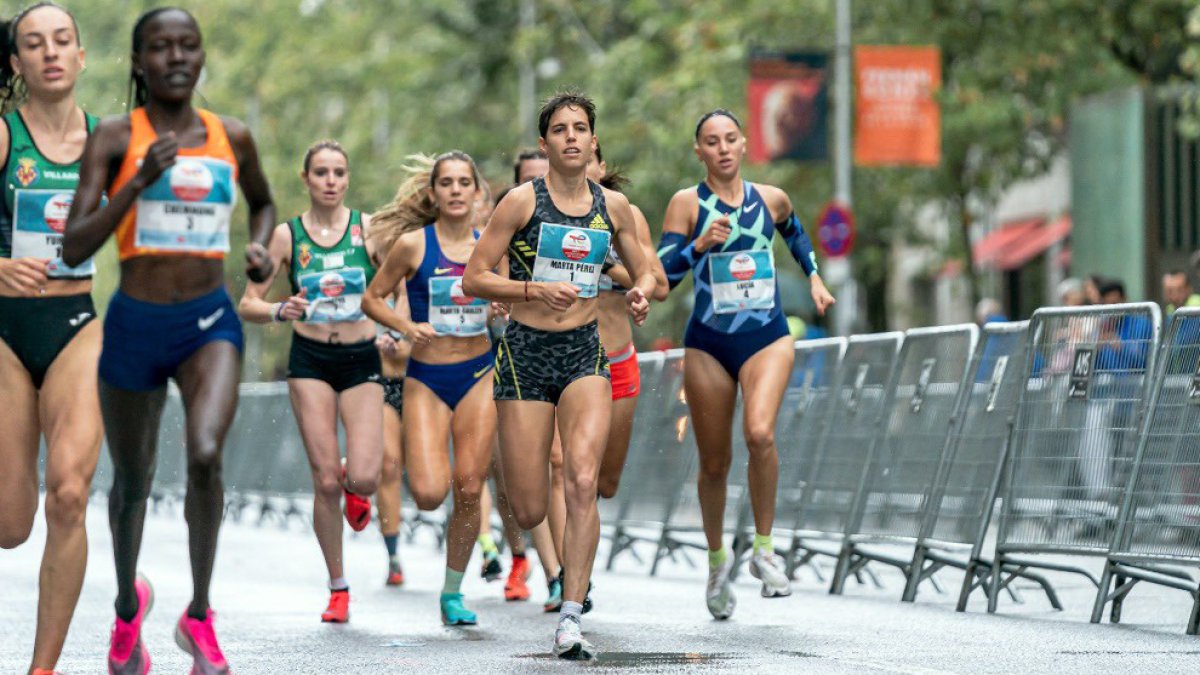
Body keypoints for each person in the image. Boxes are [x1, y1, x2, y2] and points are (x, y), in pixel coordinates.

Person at [62, 8, 276, 674]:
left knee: (207, 452)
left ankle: (200, 615)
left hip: (210, 320)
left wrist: (263, 247)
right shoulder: (112, 136)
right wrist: (136, 182)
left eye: (188, 46)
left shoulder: (230, 135)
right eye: (160, 47)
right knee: (132, 479)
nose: (176, 57)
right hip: (134, 322)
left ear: (201, 57)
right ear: (138, 62)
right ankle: (129, 607)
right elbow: (74, 244)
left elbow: (264, 202)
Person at [464, 91, 655, 660]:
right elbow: (475, 278)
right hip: (524, 355)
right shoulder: (521, 202)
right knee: (528, 507)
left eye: (580, 128)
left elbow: (643, 265)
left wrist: (639, 292)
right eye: (560, 129)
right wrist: (533, 289)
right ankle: (546, 560)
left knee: (581, 479)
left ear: (593, 141)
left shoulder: (612, 207)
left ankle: (572, 613)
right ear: (545, 142)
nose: (571, 137)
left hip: (583, 354)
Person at [656, 108, 834, 620]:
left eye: (730, 138)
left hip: (767, 335)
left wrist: (816, 279)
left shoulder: (770, 198)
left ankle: (763, 550)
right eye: (711, 142)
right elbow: (664, 276)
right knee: (715, 462)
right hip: (709, 341)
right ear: (700, 152)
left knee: (760, 433)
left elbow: (797, 237)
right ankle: (717, 563)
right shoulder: (686, 204)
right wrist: (698, 245)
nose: (723, 148)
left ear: (744, 142)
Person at [237, 139, 383, 623]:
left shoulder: (369, 229)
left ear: (347, 178)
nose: (330, 181)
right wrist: (280, 308)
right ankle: (338, 587)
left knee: (364, 475)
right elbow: (248, 302)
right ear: (306, 179)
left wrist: (395, 329)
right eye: (321, 172)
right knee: (323, 482)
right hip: (311, 358)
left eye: (339, 172)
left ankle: (354, 479)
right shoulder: (287, 235)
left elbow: (399, 287)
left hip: (362, 355)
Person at [0, 5, 100, 674]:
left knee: (68, 491)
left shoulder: (106, 140)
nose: (50, 52)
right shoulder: (5, 137)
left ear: (81, 55)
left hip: (77, 326)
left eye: (62, 40)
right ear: (17, 64)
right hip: (5, 329)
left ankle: (42, 668)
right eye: (33, 43)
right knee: (10, 526)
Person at [362, 151, 497, 626]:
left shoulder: (491, 245)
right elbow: (372, 297)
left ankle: (453, 592)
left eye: (465, 182)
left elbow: (516, 301)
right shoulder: (414, 246)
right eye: (447, 183)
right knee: (427, 493)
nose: (457, 190)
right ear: (433, 193)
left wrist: (502, 309)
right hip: (427, 378)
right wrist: (405, 326)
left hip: (480, 372)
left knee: (470, 485)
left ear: (478, 192)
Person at [587, 144, 668, 499]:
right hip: (567, 356)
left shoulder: (627, 214)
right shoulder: (545, 217)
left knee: (605, 484)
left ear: (601, 167)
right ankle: (566, 556)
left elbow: (659, 285)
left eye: (588, 162)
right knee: (566, 470)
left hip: (618, 358)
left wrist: (608, 266)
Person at [374, 294, 411, 587]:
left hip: (418, 384)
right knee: (389, 466)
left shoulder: (421, 276)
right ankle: (393, 556)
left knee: (426, 480)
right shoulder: (373, 285)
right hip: (380, 383)